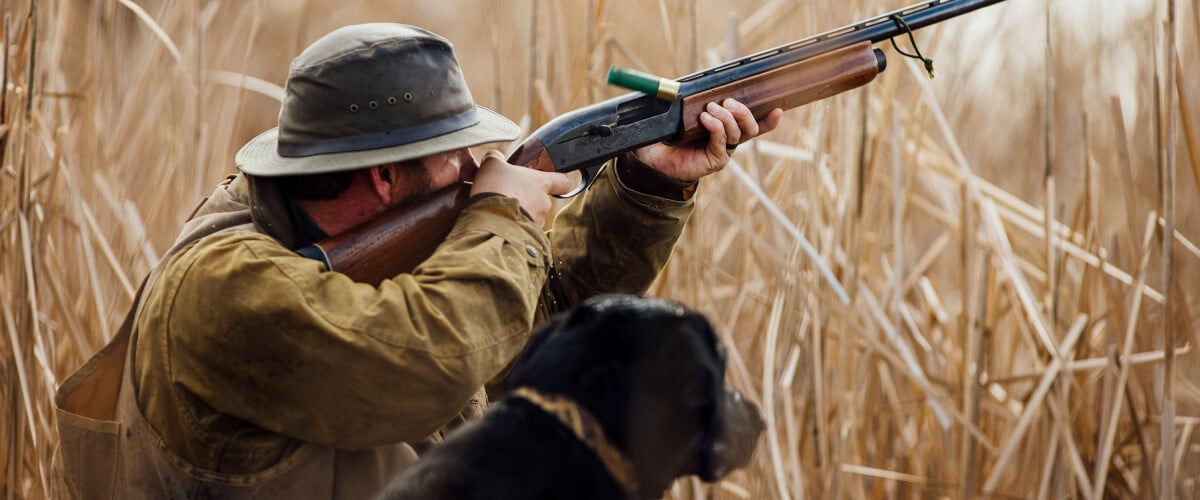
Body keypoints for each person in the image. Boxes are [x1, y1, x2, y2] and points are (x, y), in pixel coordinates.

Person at [53, 23, 782, 499]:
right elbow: (435, 361)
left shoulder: (375, 248)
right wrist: (501, 215)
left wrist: (648, 181)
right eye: (460, 155)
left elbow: (515, 334)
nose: (481, 165)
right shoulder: (220, 288)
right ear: (383, 178)